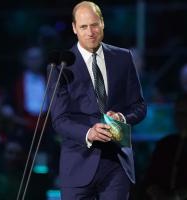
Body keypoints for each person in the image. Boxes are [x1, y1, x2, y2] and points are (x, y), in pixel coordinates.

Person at [48, 1, 146, 199]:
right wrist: (89, 133)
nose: (90, 32)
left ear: (102, 23)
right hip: (77, 164)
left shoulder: (123, 58)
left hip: (116, 164)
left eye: (94, 25)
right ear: (75, 28)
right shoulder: (61, 66)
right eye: (83, 27)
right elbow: (59, 119)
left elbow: (139, 106)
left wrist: (122, 117)